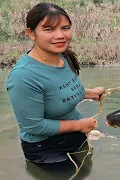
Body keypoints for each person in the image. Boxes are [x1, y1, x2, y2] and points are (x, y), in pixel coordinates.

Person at [6, 2, 106, 164]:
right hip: (46, 148)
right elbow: (34, 127)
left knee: (86, 171)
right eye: (48, 29)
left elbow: (57, 91)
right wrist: (79, 125)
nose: (60, 35)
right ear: (31, 33)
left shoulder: (63, 56)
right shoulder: (23, 76)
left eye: (65, 28)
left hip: (76, 135)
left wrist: (90, 93)